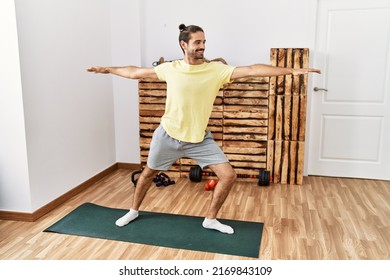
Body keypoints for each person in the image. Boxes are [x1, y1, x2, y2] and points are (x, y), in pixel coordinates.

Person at [87, 24, 320, 234]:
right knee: (148, 174)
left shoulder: (216, 70)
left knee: (228, 176)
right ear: (183, 44)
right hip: (168, 135)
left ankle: (210, 219)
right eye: (197, 42)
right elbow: (135, 72)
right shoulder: (171, 68)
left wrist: (291, 71)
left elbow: (252, 70)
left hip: (199, 139)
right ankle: (133, 210)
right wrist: (108, 69)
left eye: (204, 42)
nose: (202, 46)